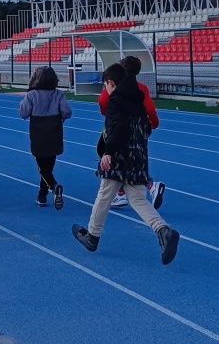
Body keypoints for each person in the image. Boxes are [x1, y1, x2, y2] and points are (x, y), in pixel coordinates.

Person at [73, 63, 180, 265]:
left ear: (110, 83)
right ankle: (163, 230)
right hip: (139, 158)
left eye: (105, 85)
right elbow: (146, 129)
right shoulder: (138, 100)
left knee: (104, 195)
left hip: (119, 159)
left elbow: (119, 129)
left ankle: (92, 237)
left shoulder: (115, 101)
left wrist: (109, 152)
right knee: (138, 199)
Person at [98, 55, 166, 209]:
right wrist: (152, 124)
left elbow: (102, 101)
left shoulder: (115, 87)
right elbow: (149, 108)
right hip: (139, 129)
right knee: (135, 159)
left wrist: (109, 114)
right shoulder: (141, 88)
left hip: (117, 126)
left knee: (114, 156)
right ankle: (123, 192)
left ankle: (146, 186)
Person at [19, 66, 72, 210]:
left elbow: (23, 113)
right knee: (48, 165)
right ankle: (42, 195)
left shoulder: (32, 95)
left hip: (38, 133)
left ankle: (54, 186)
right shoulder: (58, 94)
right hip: (54, 132)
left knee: (42, 167)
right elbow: (67, 112)